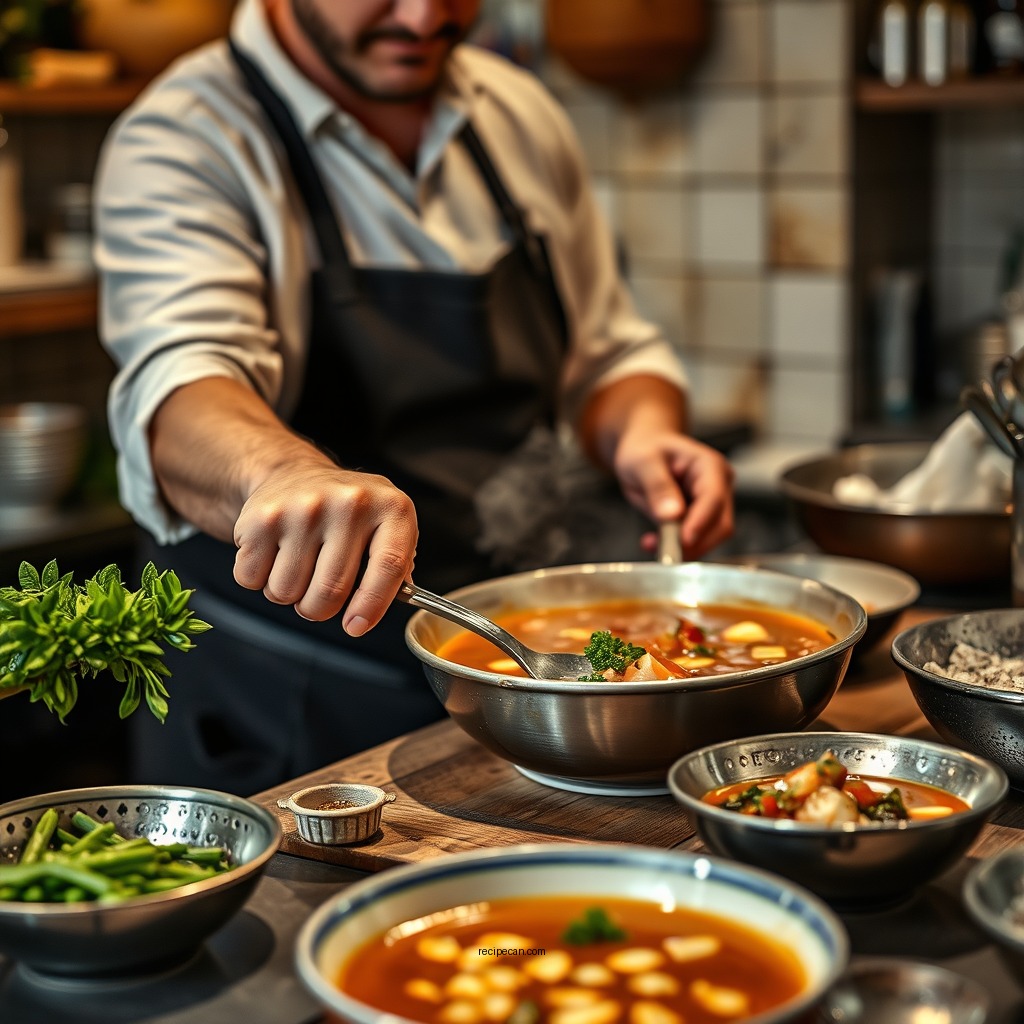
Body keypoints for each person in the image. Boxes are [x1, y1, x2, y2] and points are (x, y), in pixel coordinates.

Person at [93, 0, 735, 795]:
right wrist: (285, 475)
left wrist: (640, 433)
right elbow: (182, 387)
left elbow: (607, 353)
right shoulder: (185, 135)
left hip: (507, 677)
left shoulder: (514, 111)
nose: (427, 16)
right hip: (298, 694)